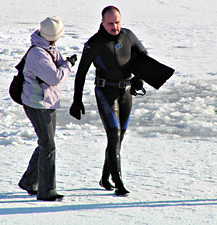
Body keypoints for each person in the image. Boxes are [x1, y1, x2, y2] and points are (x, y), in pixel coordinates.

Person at [69, 6, 147, 196]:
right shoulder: (94, 44)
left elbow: (143, 57)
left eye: (117, 22)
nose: (115, 27)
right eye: (110, 23)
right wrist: (76, 100)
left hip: (126, 92)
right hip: (106, 91)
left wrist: (140, 77)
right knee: (113, 134)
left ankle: (105, 177)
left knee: (118, 138)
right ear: (102, 22)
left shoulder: (128, 36)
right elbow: (81, 73)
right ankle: (118, 181)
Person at [18, 16, 77, 201]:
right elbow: (56, 78)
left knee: (46, 143)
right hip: (37, 104)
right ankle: (46, 191)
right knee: (48, 145)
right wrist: (68, 65)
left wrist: (64, 64)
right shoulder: (38, 53)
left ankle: (29, 181)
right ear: (55, 36)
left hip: (47, 102)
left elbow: (57, 66)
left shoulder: (48, 46)